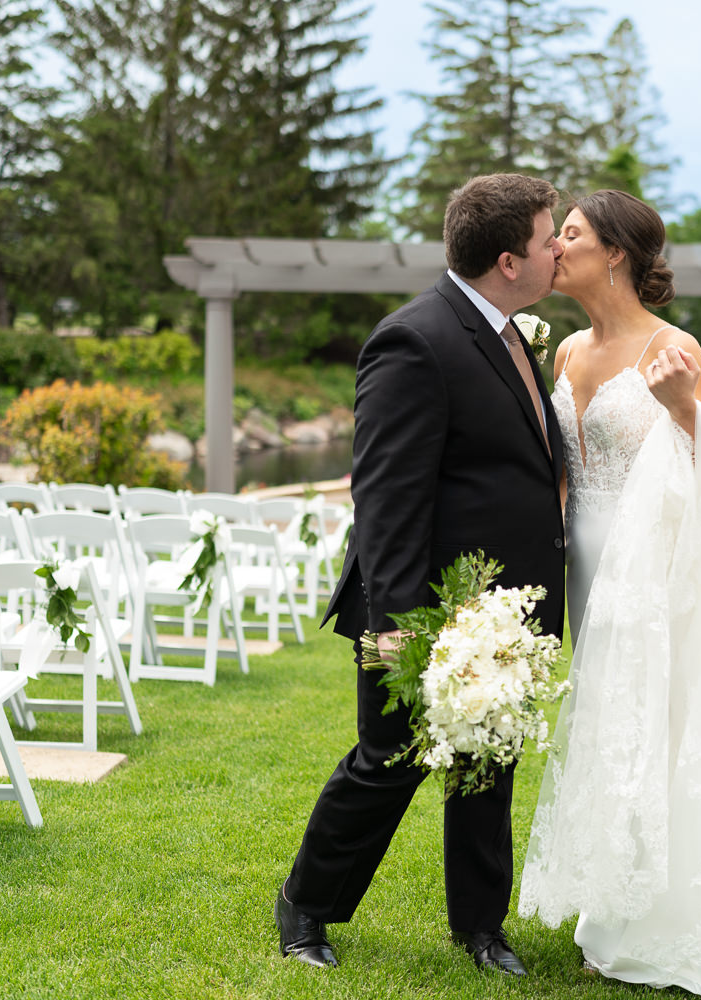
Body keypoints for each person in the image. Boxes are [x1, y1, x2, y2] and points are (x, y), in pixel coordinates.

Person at [276, 174, 567, 976]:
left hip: (501, 609)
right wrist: (397, 623)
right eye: (549, 239)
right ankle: (306, 906)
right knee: (387, 759)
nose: (558, 249)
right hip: (420, 609)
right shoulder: (416, 338)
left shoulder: (515, 334)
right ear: (509, 260)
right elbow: (386, 494)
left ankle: (481, 929)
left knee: (488, 762)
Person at [517, 189, 701, 1000]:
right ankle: (608, 907)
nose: (556, 246)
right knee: (603, 729)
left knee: (653, 731)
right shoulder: (563, 354)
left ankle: (657, 924)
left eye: (573, 234)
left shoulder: (676, 348)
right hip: (580, 572)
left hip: (653, 573)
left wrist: (681, 411)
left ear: (616, 252)